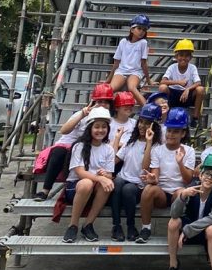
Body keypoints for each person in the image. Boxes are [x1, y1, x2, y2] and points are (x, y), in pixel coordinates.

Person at [36, 82, 114, 201]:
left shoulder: (108, 120)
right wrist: (83, 114)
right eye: (99, 101)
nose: (103, 104)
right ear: (93, 101)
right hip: (68, 149)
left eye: (106, 102)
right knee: (58, 152)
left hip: (89, 150)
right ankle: (45, 190)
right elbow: (63, 130)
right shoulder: (83, 114)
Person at [136, 107, 196, 243]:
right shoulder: (157, 150)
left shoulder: (189, 151)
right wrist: (152, 179)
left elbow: (187, 179)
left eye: (176, 131)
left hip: (178, 191)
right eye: (169, 130)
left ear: (183, 133)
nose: (171, 134)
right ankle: (146, 228)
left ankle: (176, 228)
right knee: (148, 189)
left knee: (182, 192)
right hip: (161, 194)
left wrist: (180, 163)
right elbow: (155, 177)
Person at [167, 154, 212, 270]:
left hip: (207, 233)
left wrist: (187, 231)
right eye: (206, 173)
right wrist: (183, 196)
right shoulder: (192, 187)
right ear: (200, 175)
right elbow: (174, 214)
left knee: (211, 228)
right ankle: (173, 265)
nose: (209, 177)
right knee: (173, 222)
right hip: (191, 223)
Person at [61, 107, 115, 243]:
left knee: (107, 184)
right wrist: (99, 178)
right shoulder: (79, 146)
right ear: (90, 128)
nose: (100, 130)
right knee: (87, 183)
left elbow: (109, 174)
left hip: (95, 190)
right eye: (97, 127)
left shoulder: (108, 149)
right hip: (76, 189)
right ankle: (73, 225)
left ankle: (88, 225)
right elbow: (79, 172)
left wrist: (106, 175)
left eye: (104, 127)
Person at [111, 103, 162, 242]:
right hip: (123, 178)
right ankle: (116, 226)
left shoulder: (157, 146)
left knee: (128, 189)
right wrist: (116, 138)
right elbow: (114, 160)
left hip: (139, 185)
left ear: (154, 126)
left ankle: (131, 226)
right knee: (117, 182)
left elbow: (145, 168)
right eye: (140, 121)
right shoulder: (130, 140)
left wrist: (149, 142)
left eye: (146, 123)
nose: (141, 126)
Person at [106, 14, 153, 105]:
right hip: (121, 71)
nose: (142, 31)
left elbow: (143, 63)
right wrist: (108, 79)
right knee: (110, 89)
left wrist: (148, 80)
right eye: (139, 28)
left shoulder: (143, 43)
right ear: (132, 29)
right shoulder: (123, 42)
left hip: (135, 72)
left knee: (132, 88)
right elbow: (116, 62)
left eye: (144, 29)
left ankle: (147, 109)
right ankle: (92, 107)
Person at [160, 39, 204, 128]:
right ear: (176, 56)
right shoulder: (172, 67)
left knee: (200, 89)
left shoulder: (192, 68)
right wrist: (178, 82)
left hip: (187, 96)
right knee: (162, 87)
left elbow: (198, 82)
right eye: (181, 55)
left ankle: (195, 118)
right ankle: (164, 113)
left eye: (187, 55)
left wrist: (188, 89)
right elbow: (162, 81)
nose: (183, 58)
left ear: (190, 58)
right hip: (174, 94)